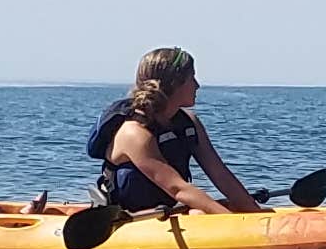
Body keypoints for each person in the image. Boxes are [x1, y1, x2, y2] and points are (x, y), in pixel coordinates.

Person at [87, 47, 260, 214]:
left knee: (212, 209)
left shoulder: (188, 122)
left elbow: (220, 174)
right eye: (192, 78)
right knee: (202, 213)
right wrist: (228, 221)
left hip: (168, 212)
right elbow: (177, 189)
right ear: (174, 83)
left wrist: (254, 214)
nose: (197, 85)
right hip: (132, 219)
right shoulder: (134, 133)